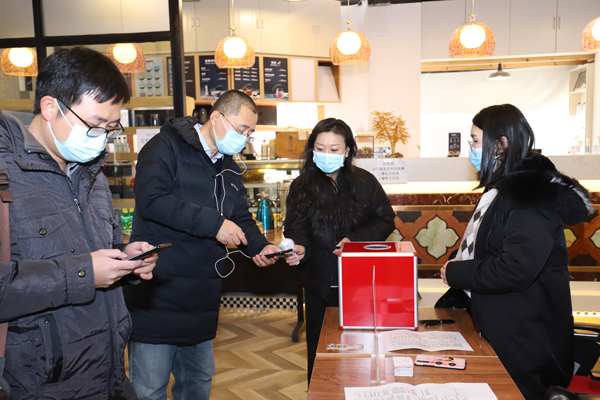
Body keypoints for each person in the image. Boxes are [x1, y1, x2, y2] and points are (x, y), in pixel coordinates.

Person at [0, 47, 158, 399]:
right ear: (50, 107)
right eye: (94, 124)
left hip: (108, 375)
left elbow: (99, 250)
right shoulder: (5, 176)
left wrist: (126, 260)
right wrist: (85, 273)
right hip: (41, 385)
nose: (101, 137)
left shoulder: (91, 173)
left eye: (110, 127)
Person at [124, 90, 280, 400]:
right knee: (149, 390)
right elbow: (152, 200)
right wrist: (215, 224)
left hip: (201, 298)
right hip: (158, 292)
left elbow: (240, 217)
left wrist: (260, 247)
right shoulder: (165, 146)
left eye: (250, 133)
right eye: (241, 129)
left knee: (196, 383)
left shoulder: (229, 166)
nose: (244, 138)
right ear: (216, 117)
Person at [439, 104, 593, 400]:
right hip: (499, 325)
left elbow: (516, 268)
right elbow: (485, 245)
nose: (471, 149)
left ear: (501, 144)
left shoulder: (529, 196)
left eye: (475, 141)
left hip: (522, 341)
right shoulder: (501, 188)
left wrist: (458, 272)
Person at [281, 118, 396, 383]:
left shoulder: (366, 182)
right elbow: (296, 227)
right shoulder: (301, 185)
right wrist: (299, 245)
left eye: (334, 149)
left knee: (360, 352)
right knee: (321, 353)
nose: (326, 154)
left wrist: (355, 240)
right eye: (320, 148)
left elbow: (385, 220)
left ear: (347, 151)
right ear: (312, 149)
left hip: (361, 283)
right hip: (319, 283)